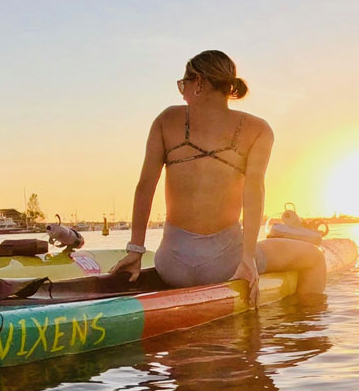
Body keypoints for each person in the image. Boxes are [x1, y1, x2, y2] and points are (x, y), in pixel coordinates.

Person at [111, 51, 326, 307]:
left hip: (172, 266)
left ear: (199, 82)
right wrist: (248, 261)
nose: (182, 92)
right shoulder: (258, 129)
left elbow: (145, 187)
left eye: (183, 84)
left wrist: (136, 252)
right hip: (226, 265)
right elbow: (254, 193)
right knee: (314, 258)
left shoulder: (166, 120)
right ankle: (305, 324)